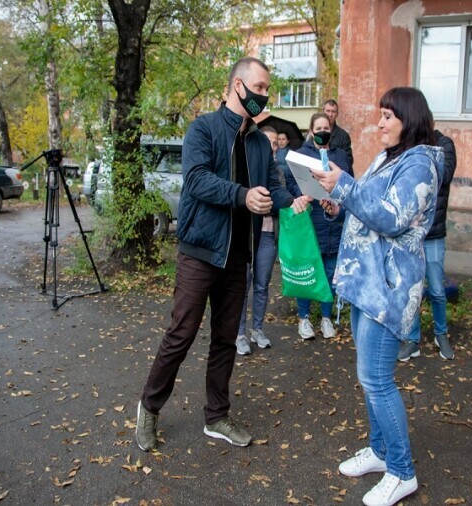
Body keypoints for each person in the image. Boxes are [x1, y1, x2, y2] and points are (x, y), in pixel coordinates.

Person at [135, 57, 310, 451]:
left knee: (225, 339)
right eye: (260, 87)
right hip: (200, 252)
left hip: (237, 257)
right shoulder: (203, 129)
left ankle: (216, 416)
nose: (265, 95)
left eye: (267, 89)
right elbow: (197, 181)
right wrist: (242, 196)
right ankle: (148, 408)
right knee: (181, 335)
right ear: (237, 87)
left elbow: (272, 185)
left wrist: (292, 201)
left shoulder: (259, 142)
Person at [312, 87, 443, 506]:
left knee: (378, 380)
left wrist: (345, 186)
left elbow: (391, 217)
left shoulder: (420, 163)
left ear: (410, 118)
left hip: (389, 288)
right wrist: (337, 201)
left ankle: (402, 472)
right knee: (369, 377)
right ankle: (381, 452)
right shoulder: (390, 158)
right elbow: (366, 205)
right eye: (380, 115)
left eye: (388, 115)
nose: (380, 123)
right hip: (364, 283)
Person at [284, 112, 352, 340]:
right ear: (311, 131)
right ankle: (303, 318)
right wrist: (302, 195)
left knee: (330, 272)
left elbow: (349, 181)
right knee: (309, 269)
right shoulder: (301, 155)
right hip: (311, 221)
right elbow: (291, 181)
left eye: (326, 128)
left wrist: (337, 199)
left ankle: (325, 318)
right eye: (318, 128)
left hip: (333, 222)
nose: (322, 132)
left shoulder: (340, 156)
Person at [398, 121, 457, 362]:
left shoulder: (444, 145)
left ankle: (440, 334)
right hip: (413, 232)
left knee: (436, 289)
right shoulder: (410, 145)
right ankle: (412, 341)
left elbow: (444, 175)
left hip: (433, 233)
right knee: (413, 290)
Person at [235, 126, 283, 355]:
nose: (271, 146)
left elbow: (280, 195)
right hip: (247, 234)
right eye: (268, 141)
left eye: (275, 143)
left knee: (262, 285)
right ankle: (239, 333)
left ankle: (258, 330)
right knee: (243, 284)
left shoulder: (277, 171)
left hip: (267, 234)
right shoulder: (247, 165)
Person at [322, 99, 354, 168]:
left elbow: (348, 160)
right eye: (328, 111)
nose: (330, 114)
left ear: (337, 114)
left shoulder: (343, 136)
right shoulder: (316, 132)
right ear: (323, 111)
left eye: (333, 112)